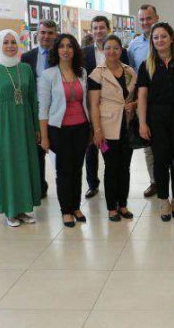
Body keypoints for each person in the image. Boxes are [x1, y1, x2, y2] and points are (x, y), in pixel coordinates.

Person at [137, 23, 174, 222]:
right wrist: (142, 123)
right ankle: (164, 200)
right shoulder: (146, 66)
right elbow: (142, 96)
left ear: (171, 38)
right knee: (160, 161)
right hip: (156, 120)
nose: (160, 40)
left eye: (163, 36)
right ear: (152, 42)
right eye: (156, 37)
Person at [0, 30, 41, 227]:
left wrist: (36, 126)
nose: (10, 46)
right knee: (8, 166)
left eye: (13, 42)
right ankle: (10, 210)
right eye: (5, 42)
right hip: (3, 124)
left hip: (24, 123)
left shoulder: (25, 69)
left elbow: (32, 99)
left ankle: (24, 208)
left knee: (25, 163)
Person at [38, 33, 90, 228]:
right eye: (62, 46)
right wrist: (44, 137)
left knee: (77, 168)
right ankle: (66, 210)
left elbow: (86, 102)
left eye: (70, 46)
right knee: (64, 170)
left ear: (75, 50)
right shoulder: (48, 75)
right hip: (59, 129)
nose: (66, 50)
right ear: (56, 50)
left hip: (81, 127)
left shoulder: (82, 72)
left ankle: (76, 206)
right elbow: (43, 109)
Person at [88, 34, 137, 222]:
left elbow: (136, 97)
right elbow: (93, 105)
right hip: (106, 129)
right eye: (108, 48)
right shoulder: (97, 74)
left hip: (127, 127)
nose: (112, 51)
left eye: (116, 48)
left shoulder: (129, 71)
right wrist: (97, 131)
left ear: (121, 50)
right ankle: (111, 208)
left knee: (125, 167)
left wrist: (133, 105)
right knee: (111, 167)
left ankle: (123, 204)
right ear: (103, 50)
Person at [82, 16, 129, 200]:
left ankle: (118, 197)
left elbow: (127, 80)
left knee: (114, 159)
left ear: (108, 29)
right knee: (91, 149)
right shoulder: (84, 52)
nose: (98, 31)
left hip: (114, 114)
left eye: (102, 27)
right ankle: (92, 184)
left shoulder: (121, 52)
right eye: (95, 28)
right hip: (92, 107)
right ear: (91, 31)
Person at [22, 19, 58, 198]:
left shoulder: (61, 55)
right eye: (43, 32)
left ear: (55, 35)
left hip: (57, 109)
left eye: (50, 33)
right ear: (37, 34)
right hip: (36, 112)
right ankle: (40, 187)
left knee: (59, 152)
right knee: (37, 153)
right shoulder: (27, 57)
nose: (46, 36)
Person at [128, 4, 160, 199]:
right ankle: (154, 182)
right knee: (148, 146)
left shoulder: (166, 39)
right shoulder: (134, 46)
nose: (145, 22)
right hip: (144, 102)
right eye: (141, 19)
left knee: (169, 144)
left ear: (156, 18)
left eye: (148, 18)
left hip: (166, 100)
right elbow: (132, 76)